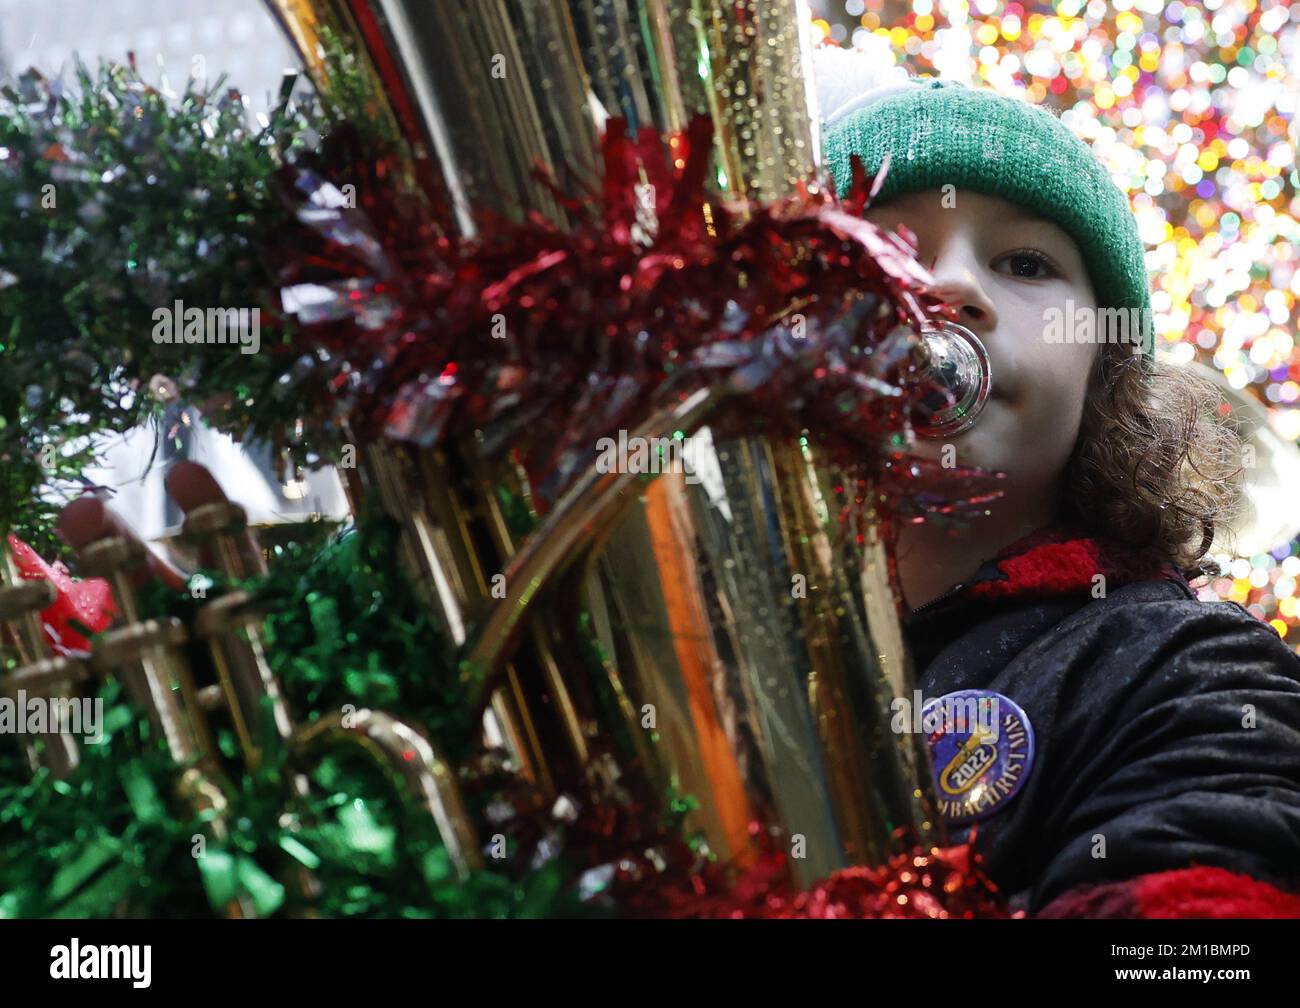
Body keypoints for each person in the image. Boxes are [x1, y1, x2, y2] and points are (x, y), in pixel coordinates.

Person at [822, 75, 1300, 917]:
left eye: (1026, 263)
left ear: (1102, 372)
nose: (948, 288)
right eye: (885, 254)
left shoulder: (1191, 671)